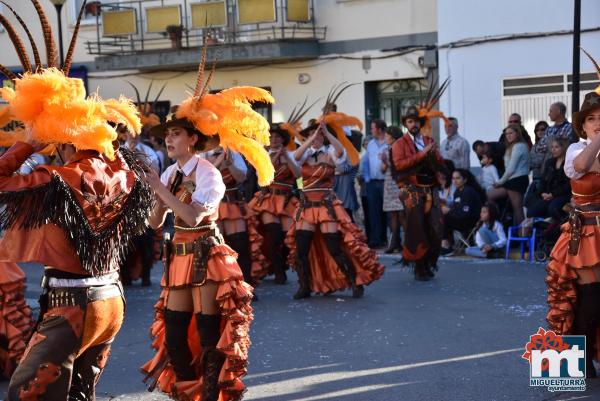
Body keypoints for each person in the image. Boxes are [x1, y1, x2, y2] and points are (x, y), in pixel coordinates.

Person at [0, 4, 153, 397]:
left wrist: (28, 142)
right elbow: (121, 154)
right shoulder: (124, 173)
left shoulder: (60, 178)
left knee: (26, 393)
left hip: (72, 306)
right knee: (79, 394)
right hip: (111, 302)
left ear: (62, 140)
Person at [141, 74, 275, 399]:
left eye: (176, 134)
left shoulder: (209, 173)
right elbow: (155, 223)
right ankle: (189, 391)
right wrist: (155, 199)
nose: (169, 140)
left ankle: (212, 393)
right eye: (167, 135)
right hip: (179, 255)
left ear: (192, 139)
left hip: (205, 255)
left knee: (207, 334)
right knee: (174, 334)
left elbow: (193, 215)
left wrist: (160, 189)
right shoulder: (170, 172)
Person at [287, 119, 384, 299]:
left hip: (325, 204)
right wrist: (311, 138)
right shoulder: (303, 154)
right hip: (306, 205)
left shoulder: (330, 153)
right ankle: (305, 286)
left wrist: (327, 133)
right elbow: (294, 158)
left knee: (333, 245)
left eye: (318, 135)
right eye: (311, 135)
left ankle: (354, 282)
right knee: (301, 248)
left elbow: (341, 151)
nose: (315, 138)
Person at [545, 80, 600, 377]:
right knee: (590, 298)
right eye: (591, 119)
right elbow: (580, 166)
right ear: (582, 124)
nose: (597, 123)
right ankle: (575, 361)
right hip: (584, 234)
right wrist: (597, 142)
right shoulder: (575, 149)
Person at [199, 144, 267, 291]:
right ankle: (219, 287)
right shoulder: (200, 153)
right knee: (214, 248)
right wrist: (218, 162)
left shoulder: (232, 152)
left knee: (240, 245)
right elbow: (199, 180)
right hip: (211, 207)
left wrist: (229, 163)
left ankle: (245, 285)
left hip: (232, 204)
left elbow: (242, 177)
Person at [391, 111, 446, 280]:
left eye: (416, 122)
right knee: (417, 228)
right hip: (412, 188)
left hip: (431, 188)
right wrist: (422, 154)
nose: (413, 124)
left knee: (437, 228)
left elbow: (440, 164)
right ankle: (419, 266)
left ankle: (429, 262)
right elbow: (399, 165)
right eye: (409, 122)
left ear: (420, 124)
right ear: (405, 124)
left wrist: (435, 155)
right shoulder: (399, 143)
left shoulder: (429, 141)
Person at [249, 123, 301, 285]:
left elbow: (299, 176)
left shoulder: (291, 154)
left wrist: (286, 158)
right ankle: (279, 271)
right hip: (268, 199)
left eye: (278, 137)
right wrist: (275, 157)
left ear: (283, 139)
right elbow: (262, 178)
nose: (275, 139)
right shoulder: (262, 156)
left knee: (288, 237)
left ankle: (282, 264)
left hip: (287, 199)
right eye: (271, 137)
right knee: (273, 235)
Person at [488, 124, 530, 225]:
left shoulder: (519, 146)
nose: (508, 135)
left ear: (517, 133)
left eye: (511, 133)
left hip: (517, 180)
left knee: (518, 209)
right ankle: (499, 224)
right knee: (490, 196)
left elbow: (511, 168)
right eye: (506, 134)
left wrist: (500, 182)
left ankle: (522, 235)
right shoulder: (511, 147)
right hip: (511, 181)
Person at [440, 169, 485, 255]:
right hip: (462, 218)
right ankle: (446, 244)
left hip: (471, 221)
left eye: (458, 178)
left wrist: (449, 210)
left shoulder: (468, 191)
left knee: (444, 218)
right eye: (453, 178)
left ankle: (446, 246)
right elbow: (457, 207)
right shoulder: (457, 191)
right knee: (440, 216)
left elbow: (464, 213)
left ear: (465, 180)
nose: (455, 181)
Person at [526, 137, 571, 221]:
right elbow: (543, 180)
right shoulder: (549, 162)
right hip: (548, 195)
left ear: (564, 148)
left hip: (563, 195)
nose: (553, 149)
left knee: (553, 208)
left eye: (556, 147)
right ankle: (541, 230)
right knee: (531, 211)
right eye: (552, 147)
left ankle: (559, 229)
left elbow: (568, 185)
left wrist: (552, 194)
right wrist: (542, 192)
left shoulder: (569, 163)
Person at [380, 126, 405, 254]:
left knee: (402, 214)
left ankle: (410, 242)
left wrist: (388, 161)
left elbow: (401, 165)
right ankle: (396, 242)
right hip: (389, 183)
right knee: (393, 215)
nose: (385, 138)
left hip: (399, 183)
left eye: (388, 136)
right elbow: (383, 170)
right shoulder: (386, 149)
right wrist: (384, 162)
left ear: (393, 137)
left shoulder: (400, 148)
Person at [365, 119, 389, 248]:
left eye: (372, 128)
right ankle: (375, 239)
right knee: (373, 212)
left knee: (387, 212)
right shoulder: (370, 144)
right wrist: (367, 178)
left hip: (386, 181)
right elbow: (367, 162)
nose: (371, 130)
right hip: (373, 182)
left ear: (379, 129)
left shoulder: (389, 143)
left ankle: (386, 238)